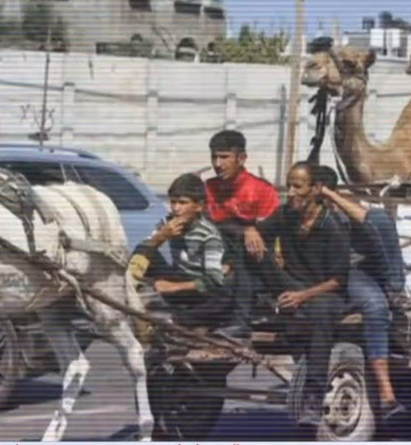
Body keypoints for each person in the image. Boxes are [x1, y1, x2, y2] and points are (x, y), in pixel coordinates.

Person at [255, 161, 350, 426]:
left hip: (324, 293)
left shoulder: (333, 225)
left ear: (315, 189)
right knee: (250, 248)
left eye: (298, 187)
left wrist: (302, 296)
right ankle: (237, 321)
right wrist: (251, 231)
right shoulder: (286, 214)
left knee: (320, 314)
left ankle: (313, 397)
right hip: (291, 285)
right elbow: (260, 231)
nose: (291, 193)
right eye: (289, 186)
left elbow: (338, 280)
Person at [313, 165, 408, 421]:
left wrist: (330, 196)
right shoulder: (297, 211)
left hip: (351, 273)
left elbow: (371, 224)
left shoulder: (340, 211)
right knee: (373, 304)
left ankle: (386, 394)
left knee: (380, 219)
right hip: (320, 275)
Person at [126, 173, 231, 339]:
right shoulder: (167, 223)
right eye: (173, 202)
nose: (176, 208)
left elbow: (214, 280)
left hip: (199, 290)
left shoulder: (209, 235)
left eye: (183, 203)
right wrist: (160, 236)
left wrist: (173, 287)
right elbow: (144, 249)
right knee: (145, 249)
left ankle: (177, 322)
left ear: (199, 206)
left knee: (223, 297)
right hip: (180, 281)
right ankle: (128, 294)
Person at [204, 130, 281, 342]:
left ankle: (241, 322)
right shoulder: (208, 188)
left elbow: (269, 234)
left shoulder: (262, 190)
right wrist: (243, 229)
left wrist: (247, 231)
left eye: (224, 157)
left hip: (256, 260)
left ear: (242, 158)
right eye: (214, 157)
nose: (218, 164)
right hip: (219, 255)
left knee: (244, 247)